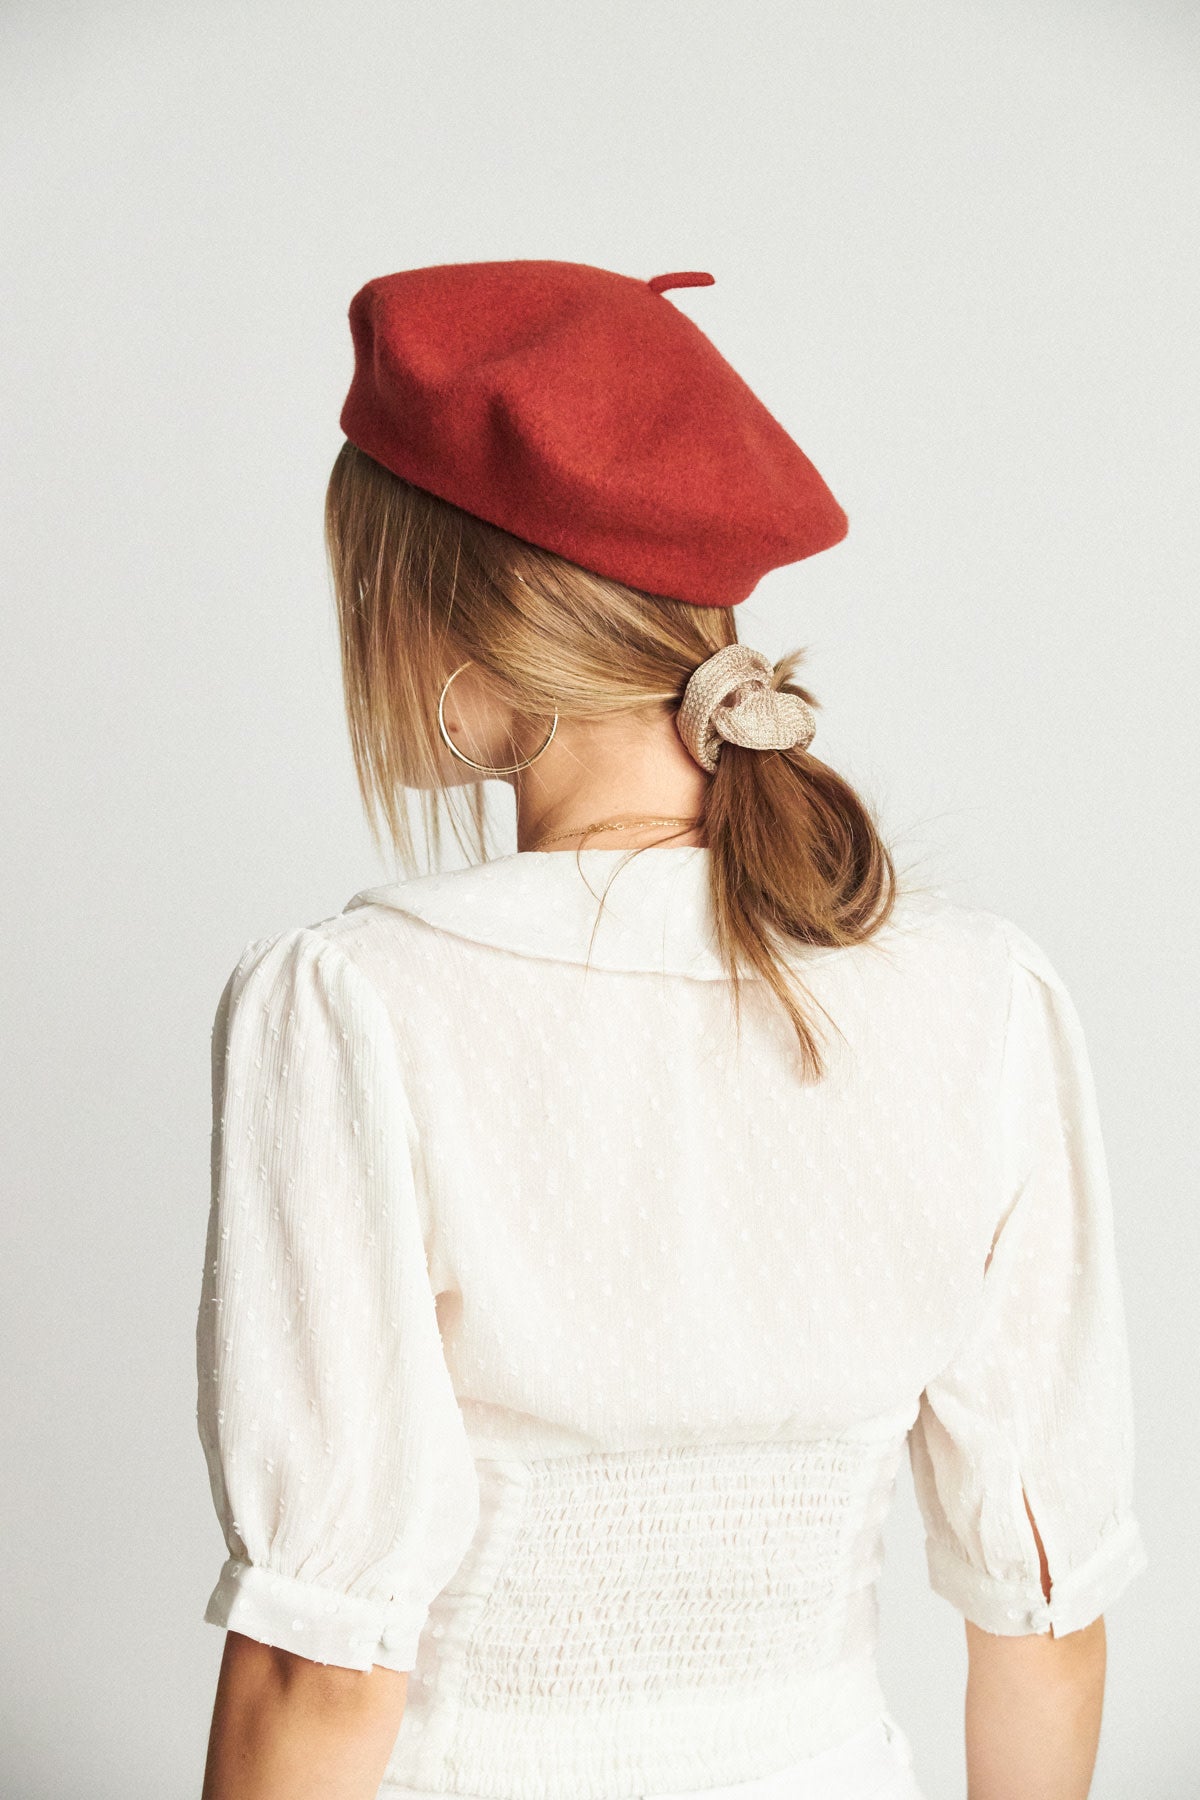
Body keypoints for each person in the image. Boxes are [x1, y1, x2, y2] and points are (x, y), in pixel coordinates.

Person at [195, 260, 1147, 1800]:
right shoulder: (985, 998)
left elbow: (321, 1669)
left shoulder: (356, 1007)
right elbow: (1046, 1621)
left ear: (458, 621)